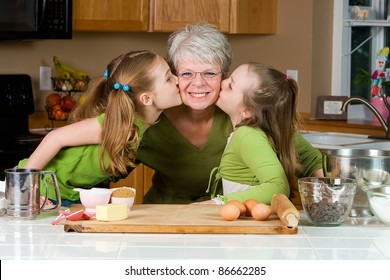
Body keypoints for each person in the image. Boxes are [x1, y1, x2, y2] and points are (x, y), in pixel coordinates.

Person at [136, 22, 323, 204]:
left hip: (226, 216)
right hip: (165, 215)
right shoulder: (152, 117)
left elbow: (310, 160)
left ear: (224, 76)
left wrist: (332, 200)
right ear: (174, 75)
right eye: (187, 74)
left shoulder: (243, 114)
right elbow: (110, 164)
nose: (198, 83)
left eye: (209, 73)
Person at [19, 50, 182, 206]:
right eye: (169, 78)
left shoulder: (141, 124)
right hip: (40, 188)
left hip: (68, 194)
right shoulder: (112, 124)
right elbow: (55, 138)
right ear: (146, 98)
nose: (177, 80)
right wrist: (27, 187)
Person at [205, 62, 300, 205]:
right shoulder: (247, 133)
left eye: (230, 86)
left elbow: (279, 188)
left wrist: (218, 203)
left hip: (250, 222)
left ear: (247, 111)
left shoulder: (247, 136)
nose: (222, 82)